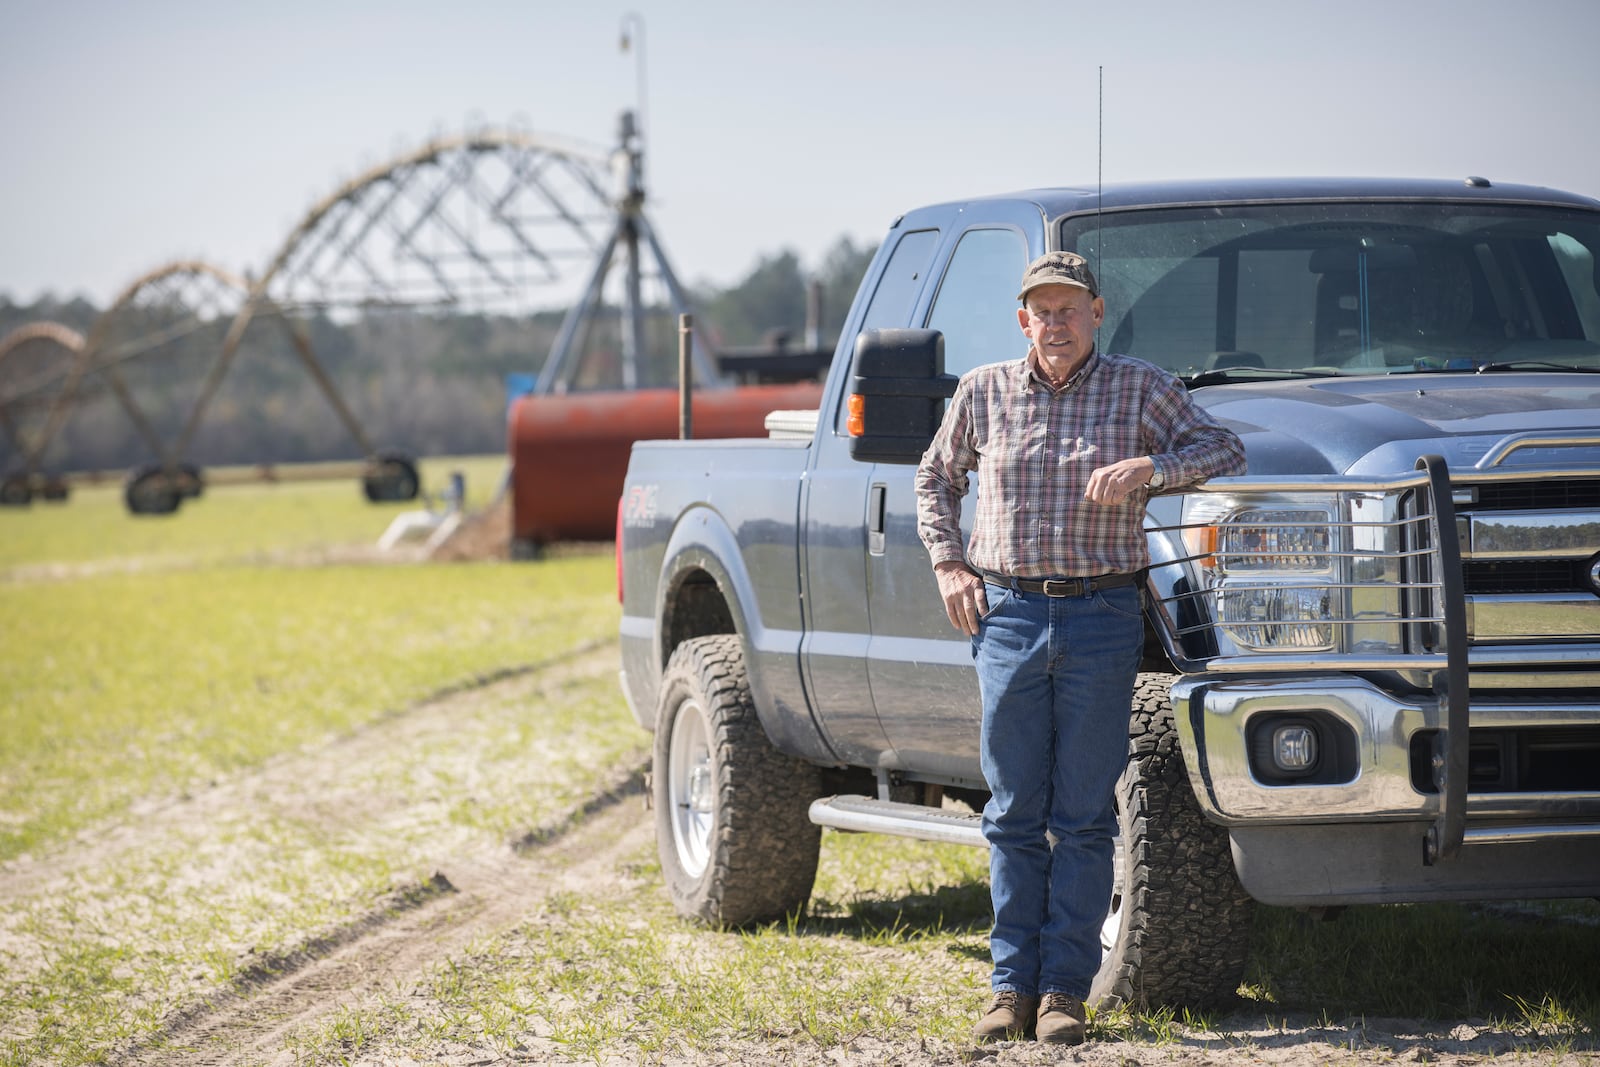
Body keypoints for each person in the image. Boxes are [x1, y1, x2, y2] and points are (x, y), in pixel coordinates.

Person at [914, 251, 1246, 1045]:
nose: (1055, 324)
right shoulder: (984, 391)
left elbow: (1225, 451)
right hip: (1008, 617)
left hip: (1102, 616)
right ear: (1022, 319)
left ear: (1097, 312)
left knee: (1087, 814)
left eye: (1069, 309)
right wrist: (950, 564)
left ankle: (1064, 989)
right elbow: (934, 477)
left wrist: (1153, 466)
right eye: (1041, 311)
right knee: (1012, 811)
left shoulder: (1140, 386)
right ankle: (1007, 988)